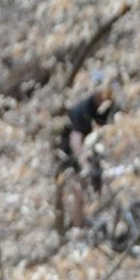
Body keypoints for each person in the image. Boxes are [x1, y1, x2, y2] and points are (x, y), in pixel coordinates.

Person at [54, 78, 117, 233]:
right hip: (74, 153)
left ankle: (113, 221)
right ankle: (79, 227)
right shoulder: (82, 109)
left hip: (100, 149)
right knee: (78, 186)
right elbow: (75, 139)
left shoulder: (111, 107)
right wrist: (83, 160)